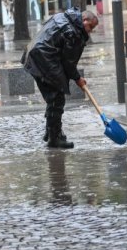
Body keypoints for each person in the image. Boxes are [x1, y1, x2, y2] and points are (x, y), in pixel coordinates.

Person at [21, 8, 99, 148]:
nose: (90, 31)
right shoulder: (72, 33)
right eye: (91, 27)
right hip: (45, 60)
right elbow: (68, 63)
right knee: (57, 99)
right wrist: (78, 79)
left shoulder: (62, 16)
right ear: (84, 20)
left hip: (34, 54)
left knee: (53, 97)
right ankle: (54, 138)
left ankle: (51, 131)